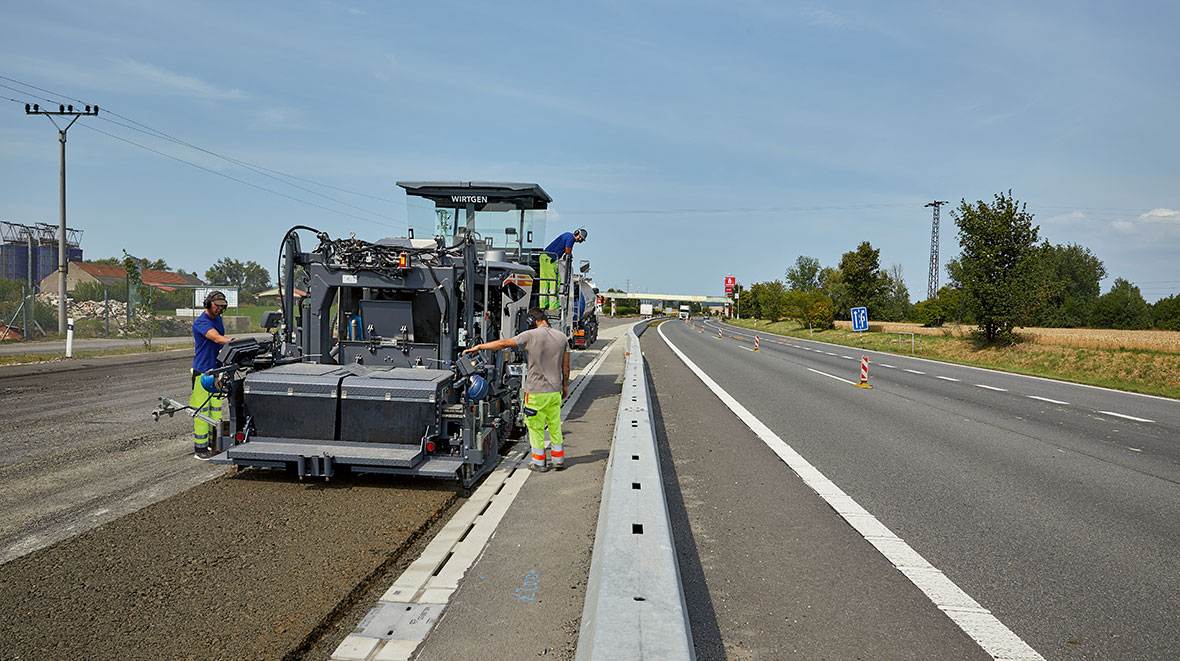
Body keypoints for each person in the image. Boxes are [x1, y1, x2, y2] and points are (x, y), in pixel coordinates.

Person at [462, 307, 570, 472]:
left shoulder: (530, 335)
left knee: (536, 428)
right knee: (555, 425)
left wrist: (479, 347)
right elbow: (566, 367)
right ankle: (558, 460)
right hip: (554, 391)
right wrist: (564, 386)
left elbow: (504, 343)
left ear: (531, 321)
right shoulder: (562, 338)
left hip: (535, 392)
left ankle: (540, 463)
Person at [191, 290, 235, 460]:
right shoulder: (202, 322)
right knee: (201, 411)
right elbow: (216, 338)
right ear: (208, 304)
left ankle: (214, 443)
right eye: (217, 306)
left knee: (216, 411)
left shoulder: (218, 319)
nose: (219, 309)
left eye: (222, 306)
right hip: (203, 372)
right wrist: (235, 341)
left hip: (217, 371)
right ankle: (200, 449)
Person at [539, 228, 587, 310]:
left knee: (544, 281)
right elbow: (568, 250)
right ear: (577, 234)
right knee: (555, 281)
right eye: (580, 238)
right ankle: (553, 305)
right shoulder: (571, 238)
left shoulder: (567, 235)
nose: (580, 240)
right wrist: (570, 256)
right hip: (550, 258)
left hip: (544, 257)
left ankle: (543, 304)